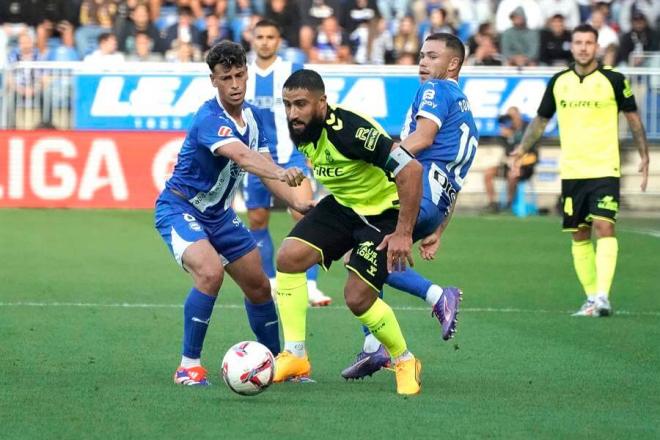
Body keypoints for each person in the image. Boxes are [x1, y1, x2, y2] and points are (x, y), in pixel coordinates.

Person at [154, 41, 311, 386]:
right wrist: (280, 172)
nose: (236, 84)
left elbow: (266, 170)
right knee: (210, 273)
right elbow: (244, 158)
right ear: (214, 80)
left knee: (258, 286)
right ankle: (188, 367)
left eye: (240, 75)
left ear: (247, 73)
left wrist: (300, 204)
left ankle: (275, 365)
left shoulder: (255, 117)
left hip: (220, 216)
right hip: (180, 208)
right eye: (227, 78)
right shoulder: (209, 118)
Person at [272, 68, 425, 395]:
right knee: (289, 257)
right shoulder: (300, 129)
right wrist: (301, 202)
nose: (292, 113)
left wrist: (402, 232)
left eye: (300, 104)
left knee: (357, 298)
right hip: (344, 206)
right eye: (287, 105)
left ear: (322, 103)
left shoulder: (352, 130)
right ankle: (296, 355)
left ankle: (405, 360)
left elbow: (411, 170)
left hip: (384, 214)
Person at [341, 32, 477, 380]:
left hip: (415, 191)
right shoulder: (465, 111)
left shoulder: (436, 90)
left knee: (359, 248)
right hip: (435, 203)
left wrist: (376, 160)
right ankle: (373, 346)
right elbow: (457, 180)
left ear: (452, 64)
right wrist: (438, 229)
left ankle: (435, 297)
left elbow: (422, 138)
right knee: (368, 252)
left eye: (432, 56)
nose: (422, 61)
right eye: (421, 55)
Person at [511, 24, 650, 317]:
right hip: (572, 170)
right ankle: (591, 298)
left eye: (589, 42)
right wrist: (522, 148)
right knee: (579, 233)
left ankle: (603, 296)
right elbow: (540, 120)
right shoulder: (559, 81)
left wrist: (644, 155)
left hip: (604, 167)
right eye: (578, 42)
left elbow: (634, 119)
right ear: (572, 46)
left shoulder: (614, 79)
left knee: (604, 225)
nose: (583, 47)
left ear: (597, 46)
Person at [243, 19, 332, 307]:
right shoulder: (242, 75)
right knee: (257, 219)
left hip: (290, 153)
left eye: (271, 36)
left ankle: (310, 285)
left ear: (279, 40)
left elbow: (312, 113)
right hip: (256, 158)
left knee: (304, 214)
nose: (265, 41)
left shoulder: (291, 72)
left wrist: (311, 148)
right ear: (252, 39)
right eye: (260, 36)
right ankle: (271, 283)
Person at [483, 106, 538, 213]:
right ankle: (493, 203)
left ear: (518, 116)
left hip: (525, 167)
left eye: (512, 116)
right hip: (509, 165)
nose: (510, 120)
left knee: (512, 175)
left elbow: (533, 153)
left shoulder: (527, 129)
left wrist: (519, 161)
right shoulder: (507, 129)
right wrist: (507, 138)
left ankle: (509, 203)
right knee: (488, 172)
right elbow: (508, 152)